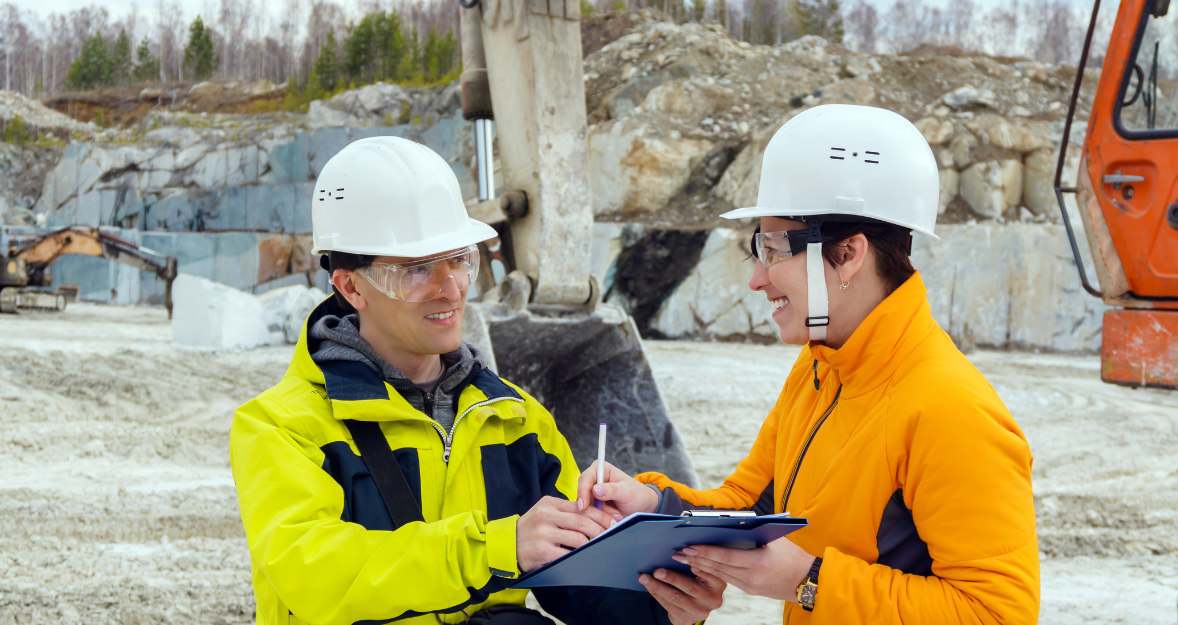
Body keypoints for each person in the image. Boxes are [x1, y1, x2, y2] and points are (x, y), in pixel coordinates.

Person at [230, 137, 725, 625]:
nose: (449, 288)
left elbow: (579, 580)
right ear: (351, 286)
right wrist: (494, 547)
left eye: (459, 261)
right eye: (417, 269)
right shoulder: (280, 426)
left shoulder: (515, 419)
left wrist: (664, 605)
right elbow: (314, 574)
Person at [577, 105, 1041, 624]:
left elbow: (998, 614)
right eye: (759, 248)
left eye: (774, 250)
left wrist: (810, 581)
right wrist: (652, 506)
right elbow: (749, 506)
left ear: (848, 254)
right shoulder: (821, 368)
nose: (757, 278)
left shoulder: (950, 410)